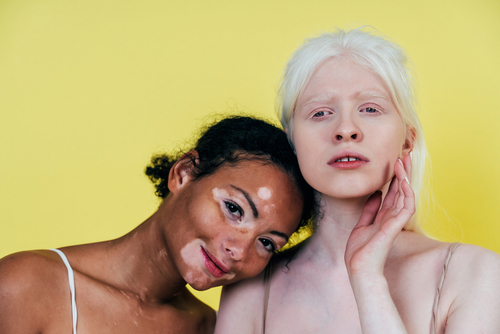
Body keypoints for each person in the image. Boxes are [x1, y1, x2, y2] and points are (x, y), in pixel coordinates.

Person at [215, 28, 500, 333]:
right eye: (321, 112)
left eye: (370, 109)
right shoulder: (250, 290)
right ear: (293, 142)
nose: (346, 129)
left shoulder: (477, 274)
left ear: (407, 141)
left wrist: (367, 279)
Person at [0, 115, 316, 334]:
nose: (238, 250)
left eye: (266, 243)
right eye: (233, 208)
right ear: (184, 173)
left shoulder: (210, 328)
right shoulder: (26, 286)